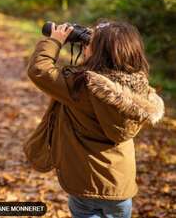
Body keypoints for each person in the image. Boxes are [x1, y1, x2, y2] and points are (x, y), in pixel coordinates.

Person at [25, 21, 164, 218]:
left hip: (85, 183)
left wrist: (55, 41)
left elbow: (39, 69)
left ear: (99, 52)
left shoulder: (80, 86)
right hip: (120, 187)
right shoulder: (139, 88)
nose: (84, 45)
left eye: (90, 43)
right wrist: (101, 39)